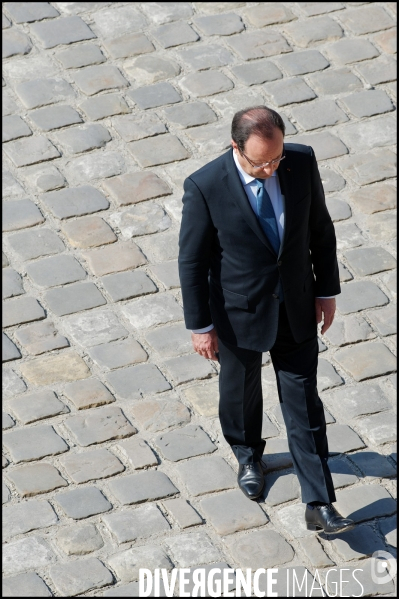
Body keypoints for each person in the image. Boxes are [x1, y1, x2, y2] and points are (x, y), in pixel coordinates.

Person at [178, 105, 355, 535]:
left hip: (295, 304)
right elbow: (191, 259)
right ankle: (247, 454)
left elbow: (320, 230)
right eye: (261, 163)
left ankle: (319, 502)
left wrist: (325, 291)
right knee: (239, 392)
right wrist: (200, 326)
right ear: (235, 147)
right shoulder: (205, 186)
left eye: (276, 159)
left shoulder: (300, 162)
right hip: (238, 312)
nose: (271, 169)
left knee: (304, 403)